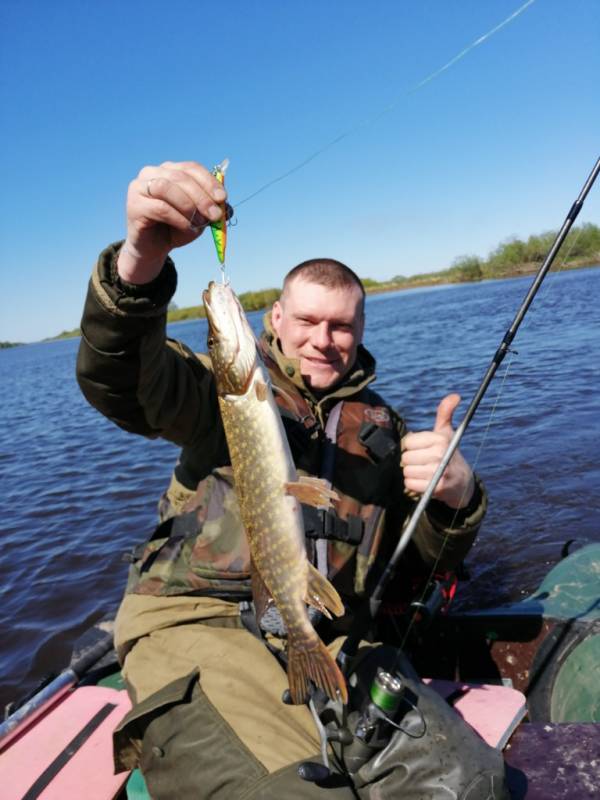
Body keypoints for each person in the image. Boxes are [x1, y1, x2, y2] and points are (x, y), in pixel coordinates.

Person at [76, 161, 508, 799]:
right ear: (275, 319)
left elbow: (421, 567)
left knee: (474, 787)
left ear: (361, 331)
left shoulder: (385, 431)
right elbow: (120, 381)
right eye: (306, 321)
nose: (323, 340)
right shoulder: (220, 391)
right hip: (201, 620)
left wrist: (456, 500)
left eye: (341, 326)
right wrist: (139, 263)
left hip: (327, 635)